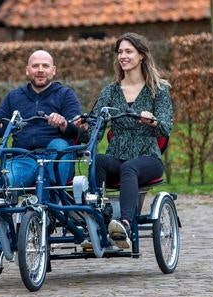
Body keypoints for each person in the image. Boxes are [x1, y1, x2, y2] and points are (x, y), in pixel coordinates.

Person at [0, 50, 82, 271]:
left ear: (53, 70)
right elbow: (1, 125)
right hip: (24, 157)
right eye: (35, 66)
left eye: (45, 66)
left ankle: (51, 210)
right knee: (0, 188)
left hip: (55, 155)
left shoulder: (65, 95)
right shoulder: (15, 97)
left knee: (60, 146)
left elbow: (78, 128)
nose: (40, 70)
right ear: (27, 70)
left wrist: (63, 124)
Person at [75, 33, 173, 249]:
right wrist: (82, 129)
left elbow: (166, 127)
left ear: (141, 56)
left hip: (148, 157)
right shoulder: (110, 91)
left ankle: (125, 226)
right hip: (116, 156)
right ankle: (98, 222)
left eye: (128, 51)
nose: (123, 56)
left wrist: (153, 121)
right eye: (120, 52)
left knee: (129, 167)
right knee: (98, 161)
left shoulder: (159, 90)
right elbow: (95, 132)